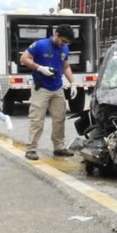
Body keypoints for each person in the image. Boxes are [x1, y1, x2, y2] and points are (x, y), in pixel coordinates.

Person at [20, 24, 77, 160]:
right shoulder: (40, 45)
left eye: (67, 42)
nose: (64, 44)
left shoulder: (65, 48)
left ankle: (59, 147)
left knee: (59, 119)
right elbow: (24, 58)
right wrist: (40, 68)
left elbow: (66, 66)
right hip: (41, 87)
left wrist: (73, 82)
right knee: (37, 119)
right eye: (63, 40)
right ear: (56, 34)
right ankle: (31, 149)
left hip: (57, 88)